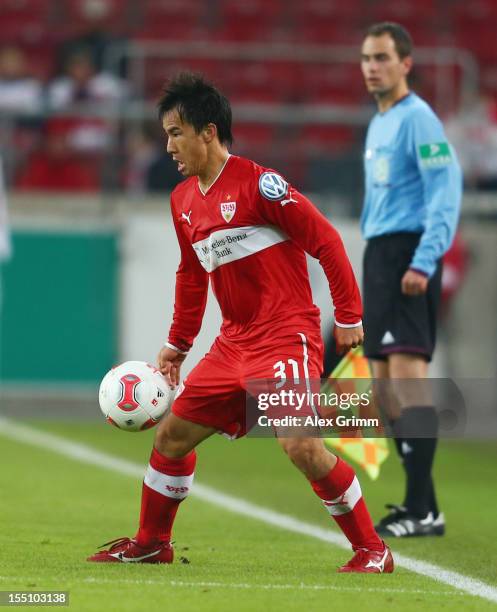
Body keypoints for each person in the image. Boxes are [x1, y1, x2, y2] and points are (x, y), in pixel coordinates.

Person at [88, 72, 394, 573]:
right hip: (233, 344)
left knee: (301, 446)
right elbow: (191, 276)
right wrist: (178, 345)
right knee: (171, 438)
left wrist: (349, 314)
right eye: (165, 134)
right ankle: (150, 542)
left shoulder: (260, 185)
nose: (168, 146)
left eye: (175, 132)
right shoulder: (183, 201)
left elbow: (327, 241)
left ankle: (372, 550)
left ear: (208, 131)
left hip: (284, 335)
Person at [360, 23, 462, 537]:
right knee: (383, 388)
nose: (371, 66)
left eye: (381, 57)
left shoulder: (419, 120)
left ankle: (421, 508)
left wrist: (424, 260)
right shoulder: (378, 122)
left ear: (406, 63)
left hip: (408, 253)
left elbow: (445, 191)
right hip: (379, 255)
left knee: (406, 376)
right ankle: (426, 506)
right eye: (366, 58)